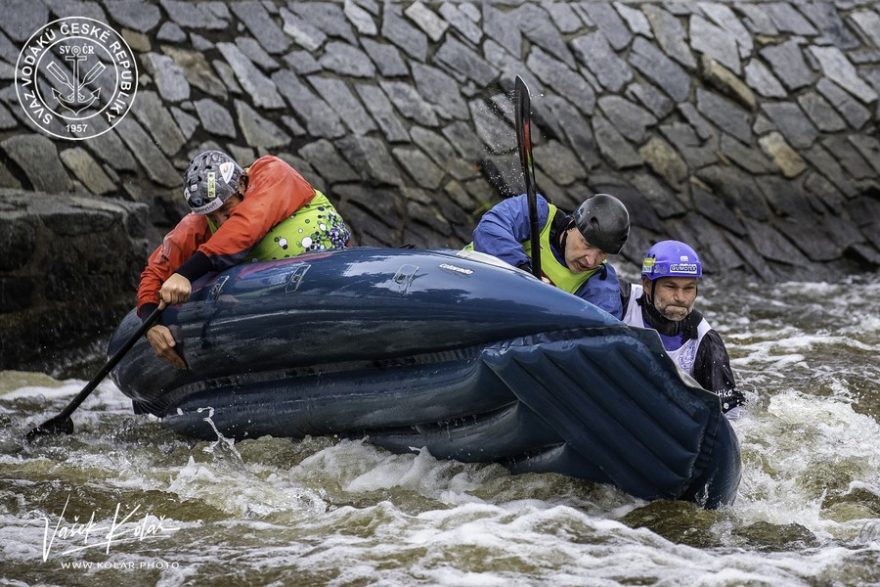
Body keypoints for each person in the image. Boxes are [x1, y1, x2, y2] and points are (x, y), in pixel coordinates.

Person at [138, 150, 351, 368]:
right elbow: (155, 270)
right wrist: (150, 324)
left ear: (241, 184)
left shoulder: (273, 173)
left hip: (335, 275)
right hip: (277, 304)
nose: (221, 221)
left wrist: (185, 273)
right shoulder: (197, 225)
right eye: (212, 216)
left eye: (226, 209)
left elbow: (245, 228)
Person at [621, 240, 745, 417]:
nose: (680, 298)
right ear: (647, 285)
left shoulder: (705, 340)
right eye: (670, 286)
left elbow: (730, 412)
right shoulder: (621, 299)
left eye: (689, 288)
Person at [467, 192, 630, 318]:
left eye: (602, 253)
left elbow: (602, 331)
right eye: (586, 244)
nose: (590, 260)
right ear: (572, 225)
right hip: (464, 280)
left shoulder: (600, 285)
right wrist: (523, 272)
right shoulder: (535, 211)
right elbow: (489, 229)